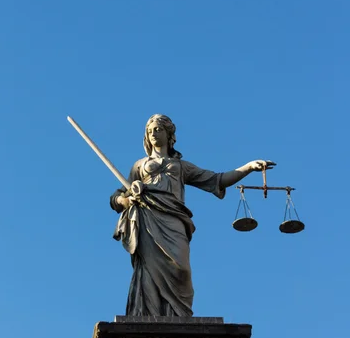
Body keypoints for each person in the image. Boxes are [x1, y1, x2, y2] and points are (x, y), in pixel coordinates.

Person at [110, 114, 275, 317]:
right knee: (148, 272)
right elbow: (116, 197)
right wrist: (125, 201)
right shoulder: (139, 166)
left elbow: (218, 179)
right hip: (148, 219)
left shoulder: (181, 166)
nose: (154, 133)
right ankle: (149, 316)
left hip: (174, 220)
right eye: (150, 130)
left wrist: (248, 167)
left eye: (158, 129)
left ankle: (177, 316)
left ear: (169, 134)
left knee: (181, 271)